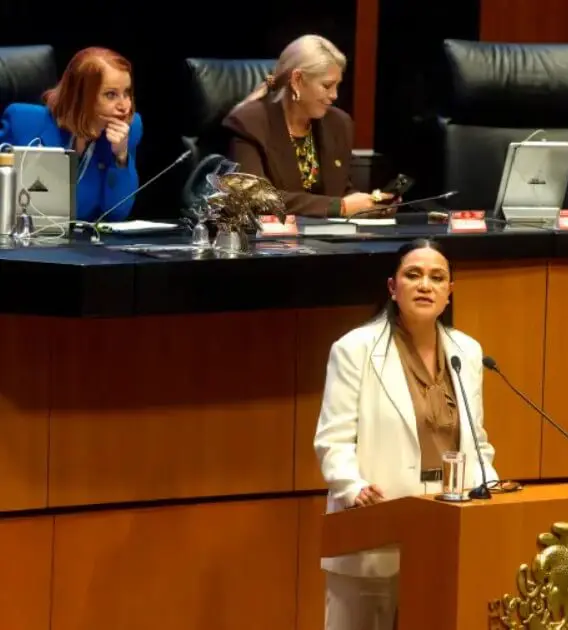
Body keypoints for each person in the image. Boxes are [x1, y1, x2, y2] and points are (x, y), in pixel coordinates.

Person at [314, 238, 498, 630]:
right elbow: (333, 439)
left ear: (450, 291)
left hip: (445, 531)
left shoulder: (466, 351)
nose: (425, 285)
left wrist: (492, 488)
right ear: (392, 287)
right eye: (413, 275)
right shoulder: (355, 349)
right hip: (374, 526)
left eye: (437, 277)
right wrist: (352, 486)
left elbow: (476, 441)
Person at [222, 34, 391, 218]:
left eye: (337, 86)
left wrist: (369, 204)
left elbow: (340, 191)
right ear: (297, 80)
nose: (334, 95)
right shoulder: (249, 122)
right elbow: (254, 198)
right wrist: (339, 206)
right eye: (327, 86)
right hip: (273, 235)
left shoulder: (338, 124)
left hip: (329, 235)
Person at [0, 47, 142, 223]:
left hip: (82, 240)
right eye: (110, 95)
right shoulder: (22, 122)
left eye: (126, 93)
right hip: (24, 235)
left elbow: (116, 213)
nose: (124, 106)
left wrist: (120, 157)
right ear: (80, 96)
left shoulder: (128, 130)